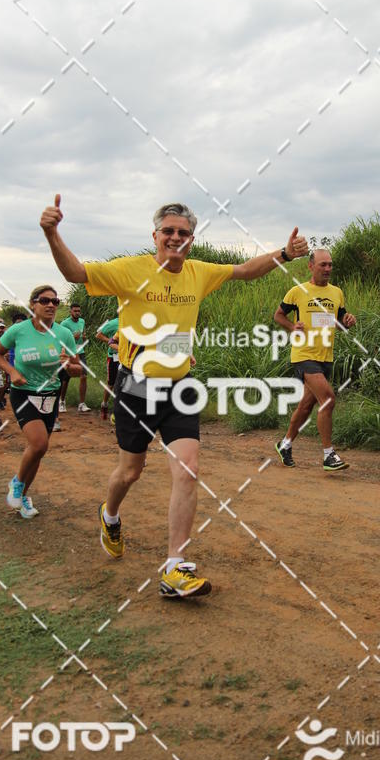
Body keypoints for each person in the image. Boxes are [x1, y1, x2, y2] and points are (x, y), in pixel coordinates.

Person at [40, 194, 308, 597]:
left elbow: (245, 270)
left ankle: (174, 567)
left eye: (183, 233)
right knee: (130, 471)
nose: (175, 237)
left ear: (192, 240)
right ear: (155, 236)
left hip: (180, 385)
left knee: (188, 468)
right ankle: (109, 514)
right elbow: (76, 273)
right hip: (137, 387)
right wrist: (51, 232)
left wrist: (284, 253)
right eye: (168, 231)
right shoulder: (131, 271)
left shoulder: (199, 272)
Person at [0, 285, 81, 518]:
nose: (51, 305)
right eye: (45, 300)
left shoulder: (64, 334)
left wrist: (68, 365)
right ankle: (17, 483)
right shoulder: (18, 331)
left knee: (37, 451)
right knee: (40, 444)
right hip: (23, 392)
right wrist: (11, 372)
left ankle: (22, 497)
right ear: (33, 304)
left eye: (55, 301)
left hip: (50, 395)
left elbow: (77, 369)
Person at [274, 249, 356, 471]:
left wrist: (347, 321)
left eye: (330, 264)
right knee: (328, 399)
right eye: (323, 265)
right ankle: (329, 455)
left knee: (306, 405)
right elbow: (278, 315)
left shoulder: (337, 293)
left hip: (325, 357)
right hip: (303, 355)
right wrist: (292, 327)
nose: (328, 268)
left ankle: (285, 444)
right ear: (311, 266)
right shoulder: (298, 291)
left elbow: (338, 322)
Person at [58, 303, 90, 413]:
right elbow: (60, 340)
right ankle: (61, 401)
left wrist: (84, 338)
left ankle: (82, 404)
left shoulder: (82, 321)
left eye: (78, 311)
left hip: (80, 351)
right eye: (75, 311)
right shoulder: (64, 323)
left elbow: (83, 333)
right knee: (65, 379)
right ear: (70, 311)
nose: (77, 313)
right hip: (69, 353)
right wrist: (72, 337)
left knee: (84, 376)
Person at [96, 316, 120, 421]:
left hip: (127, 358)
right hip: (113, 357)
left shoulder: (132, 322)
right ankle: (104, 405)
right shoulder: (113, 323)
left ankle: (118, 411)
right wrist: (110, 341)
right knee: (111, 383)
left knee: (124, 384)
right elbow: (99, 335)